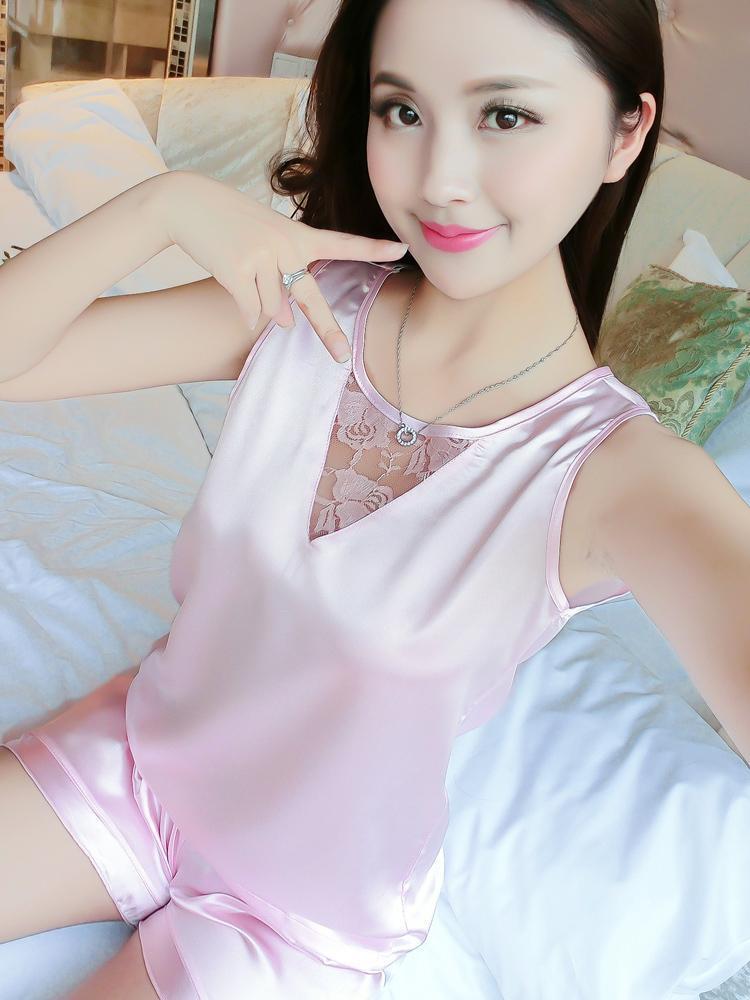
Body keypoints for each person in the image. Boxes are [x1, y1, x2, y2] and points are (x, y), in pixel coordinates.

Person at [0, 0, 666, 996]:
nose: (439, 176)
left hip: (295, 909)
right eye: (404, 111)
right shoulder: (314, 306)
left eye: (506, 115)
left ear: (626, 132)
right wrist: (163, 205)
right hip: (138, 763)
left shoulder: (617, 469)